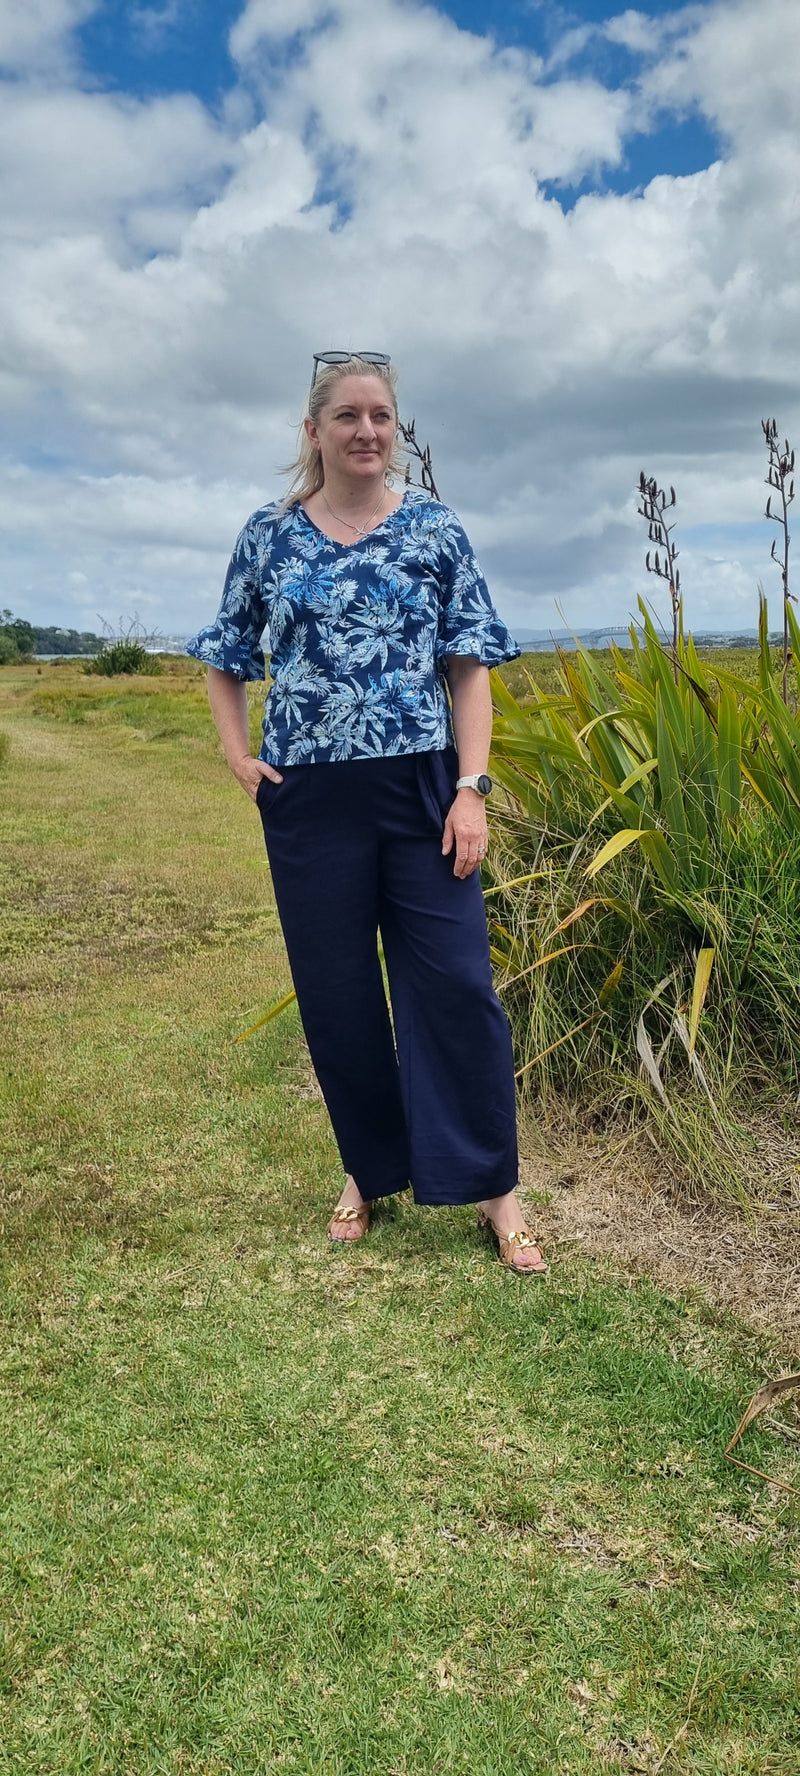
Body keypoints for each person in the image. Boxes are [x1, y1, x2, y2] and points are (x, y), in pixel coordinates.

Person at [187, 351, 547, 1275]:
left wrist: (472, 790)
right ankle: (368, 1169)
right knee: (340, 994)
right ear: (313, 431)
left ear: (396, 427)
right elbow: (225, 652)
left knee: (458, 985)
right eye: (346, 416)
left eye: (380, 415)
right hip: (309, 797)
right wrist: (239, 755)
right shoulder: (268, 536)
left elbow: (469, 668)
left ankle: (495, 1190)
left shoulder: (434, 530)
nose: (366, 431)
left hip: (424, 788)